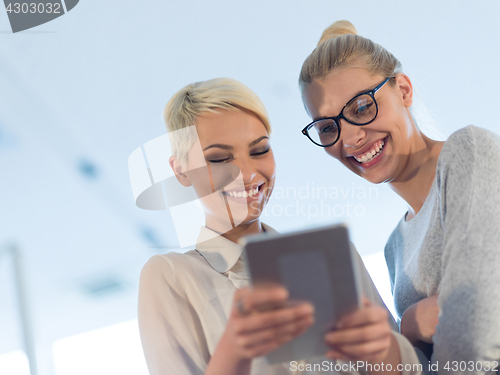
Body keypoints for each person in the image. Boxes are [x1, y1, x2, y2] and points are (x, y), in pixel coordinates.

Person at [137, 77, 422, 375]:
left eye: (259, 150)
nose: (247, 173)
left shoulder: (332, 258)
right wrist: (234, 353)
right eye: (219, 159)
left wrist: (383, 350)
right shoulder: (171, 277)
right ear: (181, 171)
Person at [299, 20, 500, 372]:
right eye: (329, 127)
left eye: (361, 107)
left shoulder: (469, 151)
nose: (350, 139)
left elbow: (474, 331)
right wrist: (407, 324)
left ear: (403, 90)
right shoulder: (394, 246)